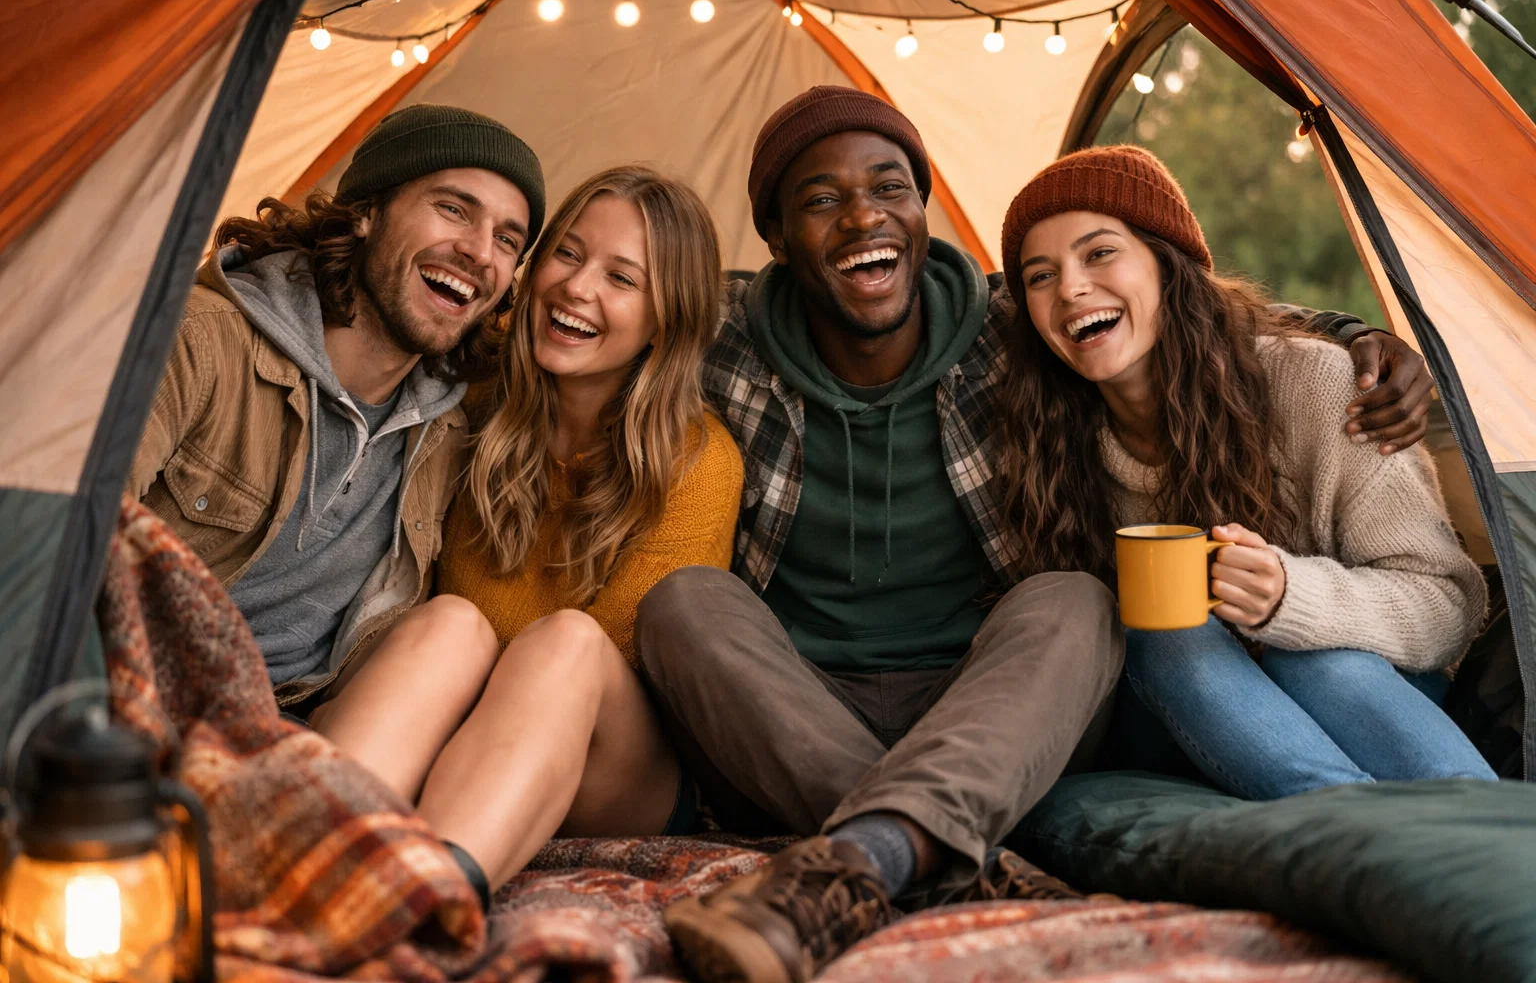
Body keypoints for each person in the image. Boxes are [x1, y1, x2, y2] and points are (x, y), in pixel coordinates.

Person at [634, 87, 1438, 983]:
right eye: (821, 200)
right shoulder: (722, 338)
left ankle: (871, 857)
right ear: (777, 237)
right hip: (790, 712)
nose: (862, 217)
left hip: (997, 707)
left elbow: (1180, 303)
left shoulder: (1005, 326)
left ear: (922, 210)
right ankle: (929, 853)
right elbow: (590, 316)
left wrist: (1361, 337)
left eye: (889, 187)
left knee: (1076, 598)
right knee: (682, 601)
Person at [995, 144, 1495, 803]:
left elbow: (1450, 604)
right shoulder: (1045, 441)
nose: (1070, 289)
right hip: (1181, 704)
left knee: (1319, 662)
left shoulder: (1316, 386)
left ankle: (1481, 833)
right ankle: (1371, 832)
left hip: (1364, 692)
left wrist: (1292, 598)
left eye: (1100, 253)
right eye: (1039, 276)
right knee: (1162, 630)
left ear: (1168, 263)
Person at [307, 166, 742, 905]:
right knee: (448, 620)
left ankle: (428, 899)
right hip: (466, 726)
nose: (575, 288)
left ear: (665, 320)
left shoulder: (697, 461)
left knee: (567, 642)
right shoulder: (476, 400)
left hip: (614, 764)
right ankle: (299, 851)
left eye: (621, 278)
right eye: (566, 254)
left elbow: (635, 674)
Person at [132, 103, 542, 713]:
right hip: (121, 698)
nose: (481, 253)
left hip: (293, 724)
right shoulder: (197, 342)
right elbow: (62, 541)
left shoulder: (450, 435)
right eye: (454, 209)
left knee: (459, 634)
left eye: (507, 240)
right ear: (366, 213)